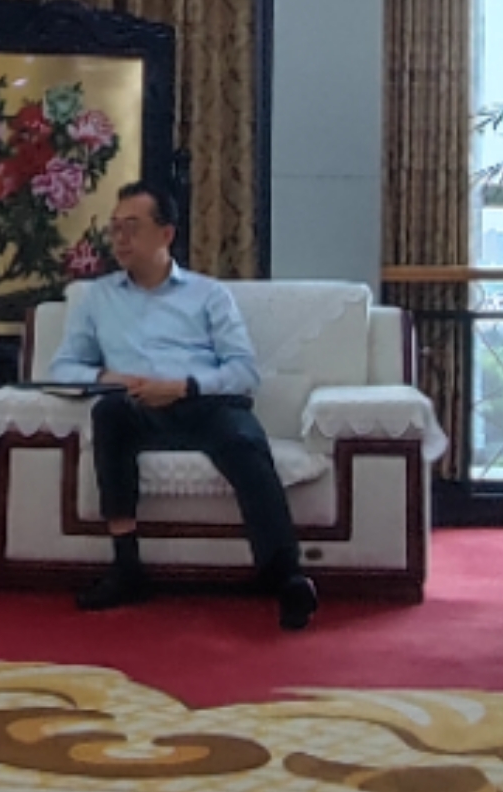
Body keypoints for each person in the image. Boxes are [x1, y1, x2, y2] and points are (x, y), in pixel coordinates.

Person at [48, 182, 317, 631]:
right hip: (136, 406)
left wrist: (184, 387)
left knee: (244, 438)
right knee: (107, 413)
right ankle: (127, 568)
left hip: (201, 402)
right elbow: (62, 368)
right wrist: (107, 377)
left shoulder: (208, 295)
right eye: (115, 229)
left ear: (166, 234)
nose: (120, 239)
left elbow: (243, 371)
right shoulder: (97, 298)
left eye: (132, 228)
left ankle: (285, 575)